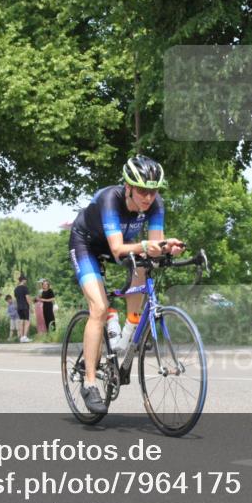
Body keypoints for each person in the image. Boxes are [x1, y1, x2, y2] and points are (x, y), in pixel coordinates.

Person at [68, 155, 185, 414]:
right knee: (98, 308)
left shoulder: (156, 205)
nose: (148, 197)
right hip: (86, 244)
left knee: (145, 265)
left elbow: (154, 248)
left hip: (120, 246)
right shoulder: (110, 198)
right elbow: (118, 249)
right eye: (142, 190)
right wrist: (146, 246)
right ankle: (89, 384)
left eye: (153, 191)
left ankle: (130, 329)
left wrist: (167, 248)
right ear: (128, 187)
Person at [14, 275, 31, 343]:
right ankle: (25, 336)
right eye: (25, 280)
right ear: (23, 280)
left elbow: (16, 299)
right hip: (25, 307)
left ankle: (21, 337)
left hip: (19, 307)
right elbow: (27, 298)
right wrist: (31, 306)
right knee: (27, 321)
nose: (26, 281)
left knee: (21, 321)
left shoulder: (16, 289)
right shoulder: (25, 288)